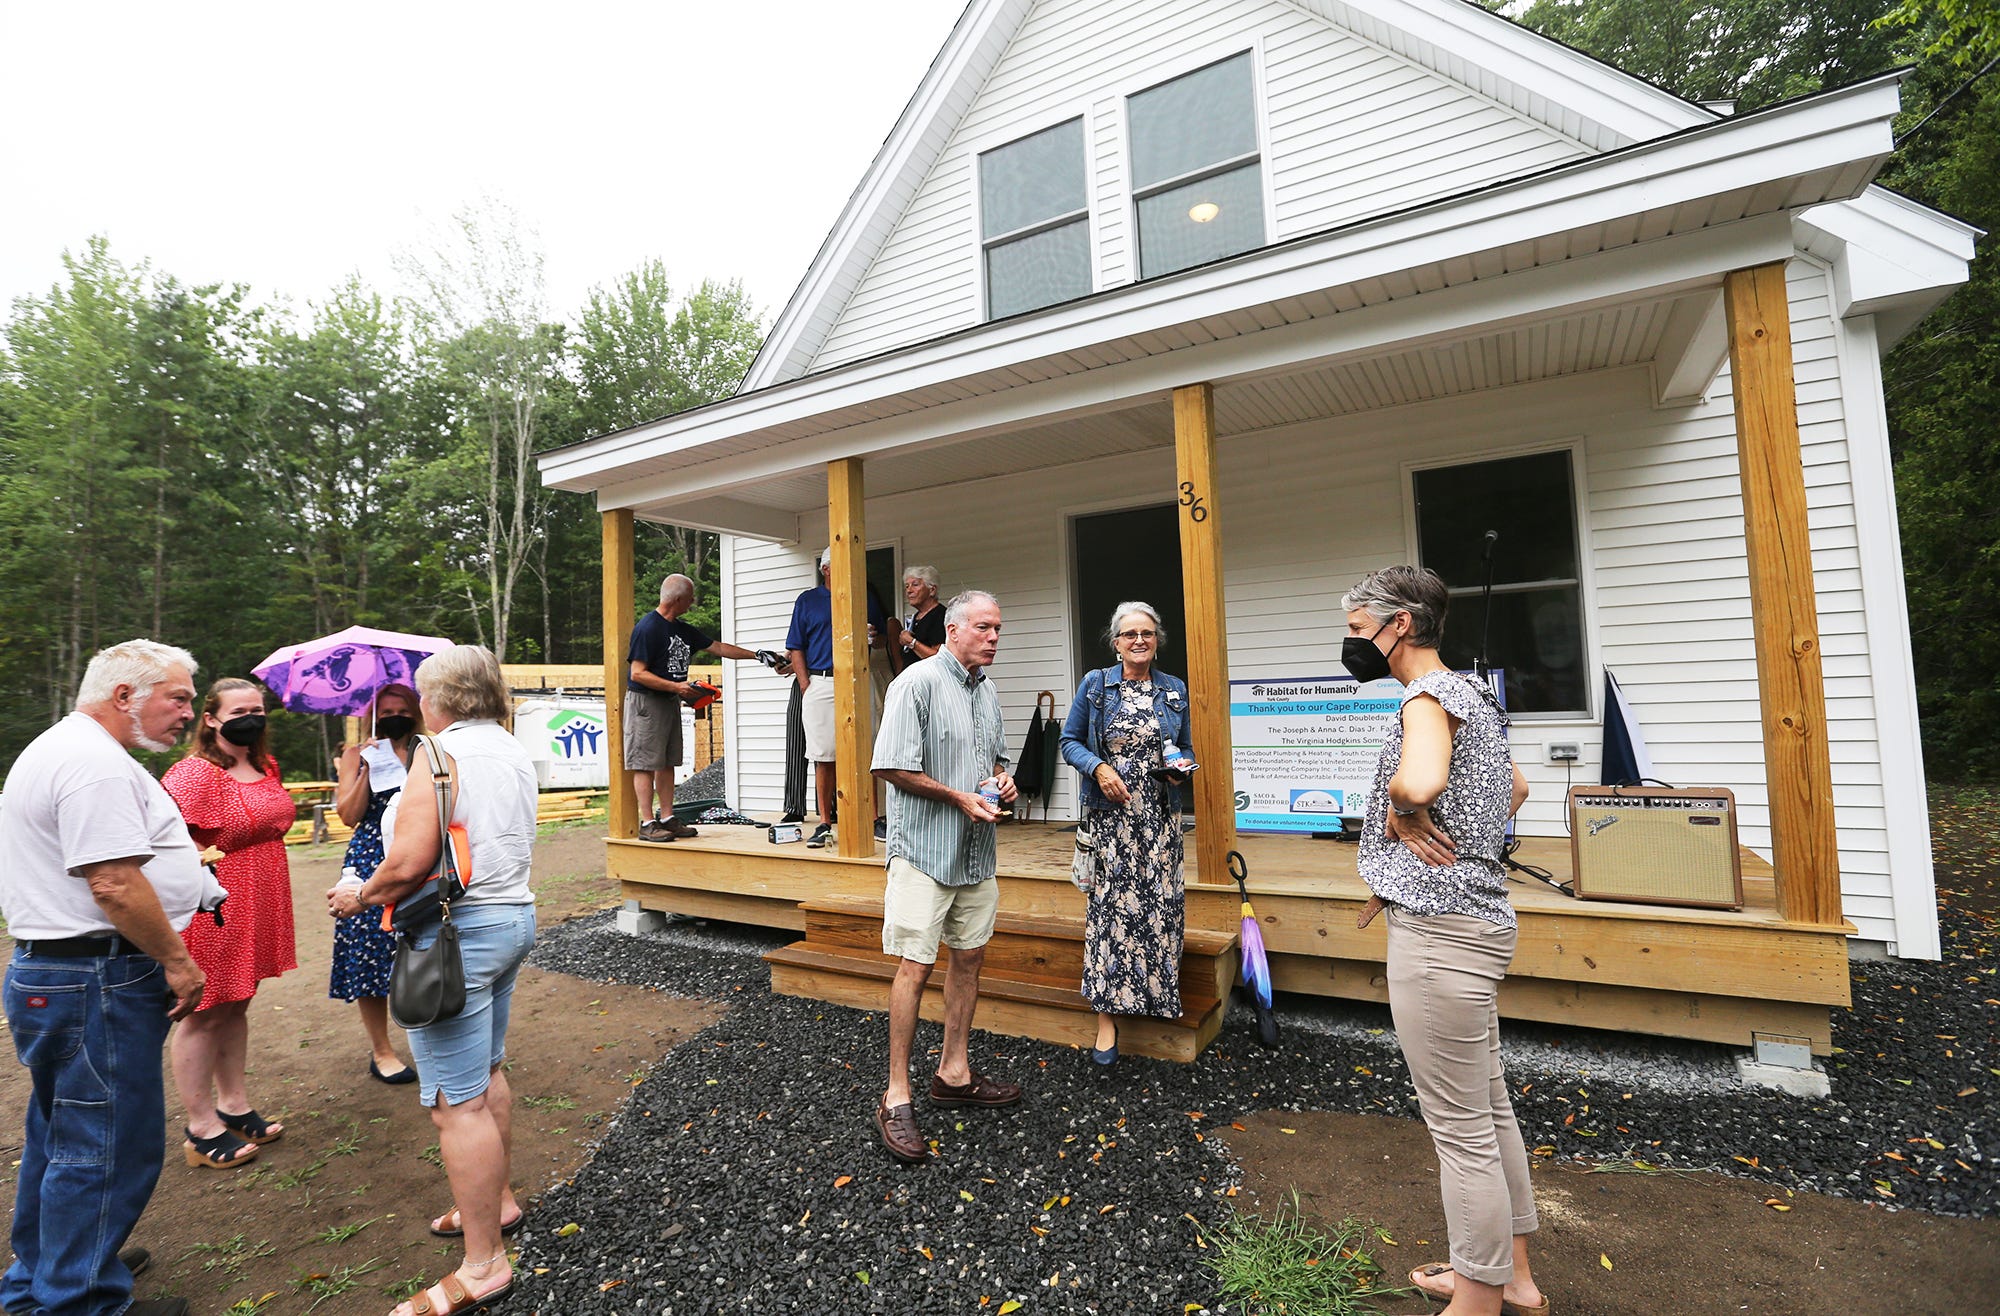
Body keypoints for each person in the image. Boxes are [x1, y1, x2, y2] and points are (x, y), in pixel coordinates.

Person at [1343, 566, 1543, 1316]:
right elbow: (1515, 790)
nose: (1353, 642)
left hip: (1439, 938)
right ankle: (1512, 1279)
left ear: (1401, 625)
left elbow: (1420, 783)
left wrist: (1401, 813)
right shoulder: (1474, 696)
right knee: (1489, 1112)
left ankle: (1476, 1302)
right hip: (1484, 921)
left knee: (1460, 1134)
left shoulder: (1426, 696)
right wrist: (1416, 851)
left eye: (1360, 628)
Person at [0, 639, 214, 1316]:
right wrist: (177, 961)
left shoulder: (69, 750)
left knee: (64, 1136)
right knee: (104, 1146)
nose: (189, 713)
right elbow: (114, 883)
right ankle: (78, 1300)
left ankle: (43, 1281)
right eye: (177, 697)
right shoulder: (93, 765)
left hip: (67, 974)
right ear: (125, 695)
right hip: (95, 976)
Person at [326, 644, 537, 1316]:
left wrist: (359, 895)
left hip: (459, 934)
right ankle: (497, 1203)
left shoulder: (437, 755)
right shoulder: (509, 748)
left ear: (434, 699)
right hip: (511, 919)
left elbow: (412, 859)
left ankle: (483, 1266)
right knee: (489, 1070)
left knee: (455, 1102)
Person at [868, 590, 1021, 1163]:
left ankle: (953, 1073)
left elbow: (996, 762)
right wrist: (958, 796)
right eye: (984, 627)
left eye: (998, 628)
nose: (993, 637)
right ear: (953, 630)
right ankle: (896, 1095)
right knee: (916, 965)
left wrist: (1001, 781)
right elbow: (889, 765)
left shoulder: (989, 691)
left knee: (970, 957)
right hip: (925, 854)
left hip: (976, 853)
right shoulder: (916, 683)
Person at [162, 677, 299, 1169]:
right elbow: (165, 838)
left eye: (257, 709)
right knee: (206, 1010)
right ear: (211, 719)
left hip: (262, 896)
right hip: (216, 901)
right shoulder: (194, 774)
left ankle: (234, 1104)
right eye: (239, 710)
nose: (251, 718)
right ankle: (200, 1127)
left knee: (238, 1002)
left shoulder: (265, 765)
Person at [1058, 602, 1194, 1066]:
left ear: (1157, 641)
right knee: (1110, 911)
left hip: (1159, 819)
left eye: (1148, 634)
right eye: (1131, 633)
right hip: (1111, 817)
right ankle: (1106, 1020)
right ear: (1115, 641)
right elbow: (1069, 741)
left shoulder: (1174, 690)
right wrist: (1097, 768)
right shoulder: (1096, 685)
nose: (1140, 640)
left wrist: (1180, 769)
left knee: (1160, 907)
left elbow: (1186, 747)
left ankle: (1156, 995)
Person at [627, 572, 770, 842]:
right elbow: (637, 673)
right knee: (645, 764)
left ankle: (667, 819)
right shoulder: (648, 628)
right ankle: (647, 824)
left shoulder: (681, 628)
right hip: (646, 704)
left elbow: (717, 647)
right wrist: (677, 687)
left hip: (668, 702)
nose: (693, 602)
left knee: (667, 762)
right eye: (690, 598)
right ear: (679, 599)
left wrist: (757, 655)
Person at [329, 682, 422, 1084]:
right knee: (370, 949)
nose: (391, 717)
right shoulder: (357, 754)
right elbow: (348, 815)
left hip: (417, 851)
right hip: (369, 856)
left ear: (414, 710)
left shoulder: (427, 750)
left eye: (399, 709)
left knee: (422, 943)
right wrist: (366, 770)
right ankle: (381, 1050)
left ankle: (427, 1032)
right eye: (383, 711)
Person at [786, 547, 887, 849]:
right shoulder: (808, 600)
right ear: (826, 569)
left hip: (858, 679)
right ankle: (825, 822)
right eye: (842, 565)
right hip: (821, 680)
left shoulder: (864, 594)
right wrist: (806, 685)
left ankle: (873, 819)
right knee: (823, 754)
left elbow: (882, 638)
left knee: (866, 748)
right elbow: (795, 646)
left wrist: (874, 636)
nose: (849, 570)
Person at [899, 564, 945, 663]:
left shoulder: (940, 615)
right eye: (907, 586)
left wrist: (912, 642)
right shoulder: (916, 616)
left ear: (932, 590)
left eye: (915, 585)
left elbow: (939, 658)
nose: (909, 590)